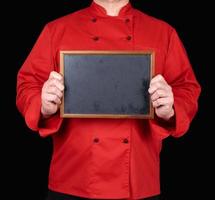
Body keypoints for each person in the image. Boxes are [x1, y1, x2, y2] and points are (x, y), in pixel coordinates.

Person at [16, 0, 201, 199]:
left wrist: (171, 108)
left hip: (138, 184)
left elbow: (187, 87)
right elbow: (27, 84)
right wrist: (42, 105)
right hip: (73, 181)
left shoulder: (163, 32)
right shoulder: (57, 30)